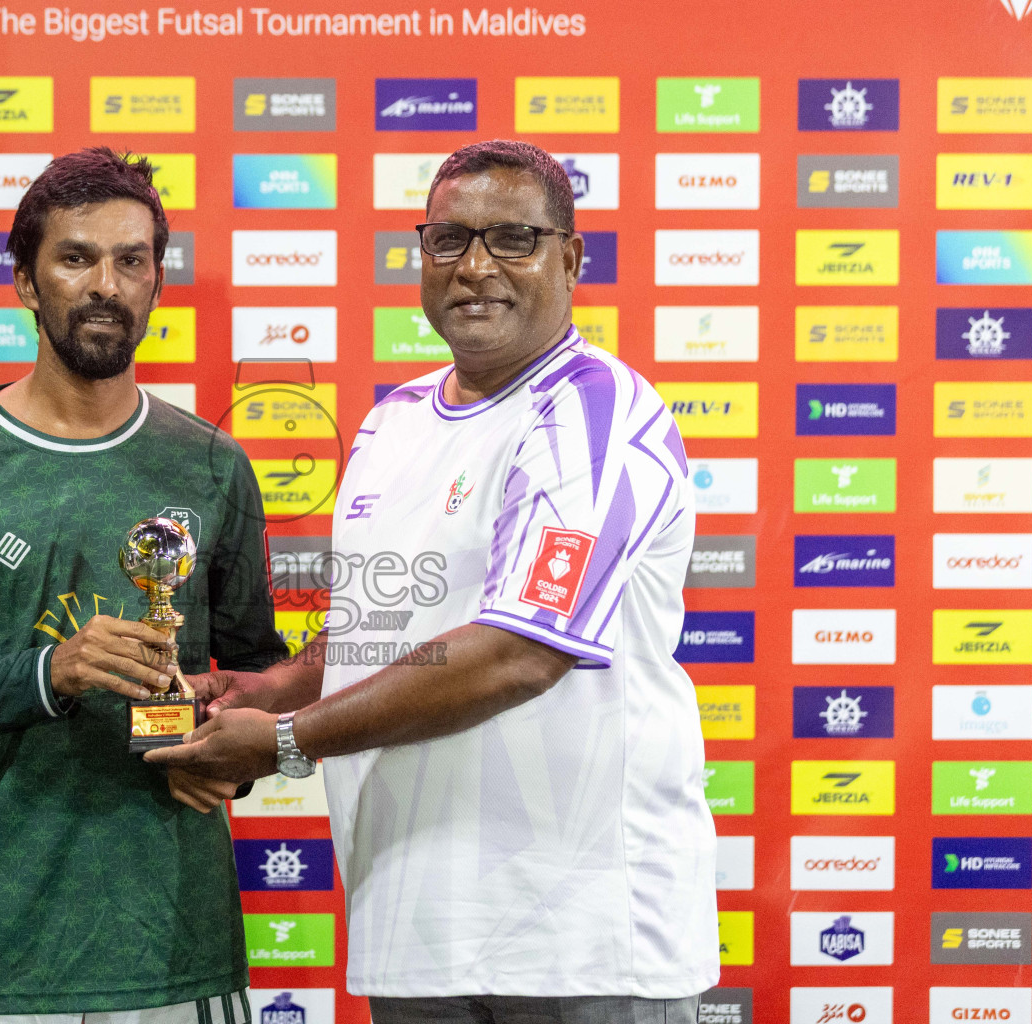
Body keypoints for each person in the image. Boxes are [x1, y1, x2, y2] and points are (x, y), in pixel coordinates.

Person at [149, 140, 718, 1023]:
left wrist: (288, 738)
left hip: (583, 940)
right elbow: (383, 635)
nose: (477, 266)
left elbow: (519, 655)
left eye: (513, 239)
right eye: (449, 240)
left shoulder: (595, 410)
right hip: (414, 927)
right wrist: (265, 688)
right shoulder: (395, 420)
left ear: (570, 259)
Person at [0, 147, 288, 1024]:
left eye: (131, 261)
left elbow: (255, 678)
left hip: (172, 946)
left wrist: (225, 757)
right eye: (77, 257)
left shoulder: (211, 465)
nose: (106, 285)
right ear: (24, 279)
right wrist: (54, 673)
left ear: (157, 282)